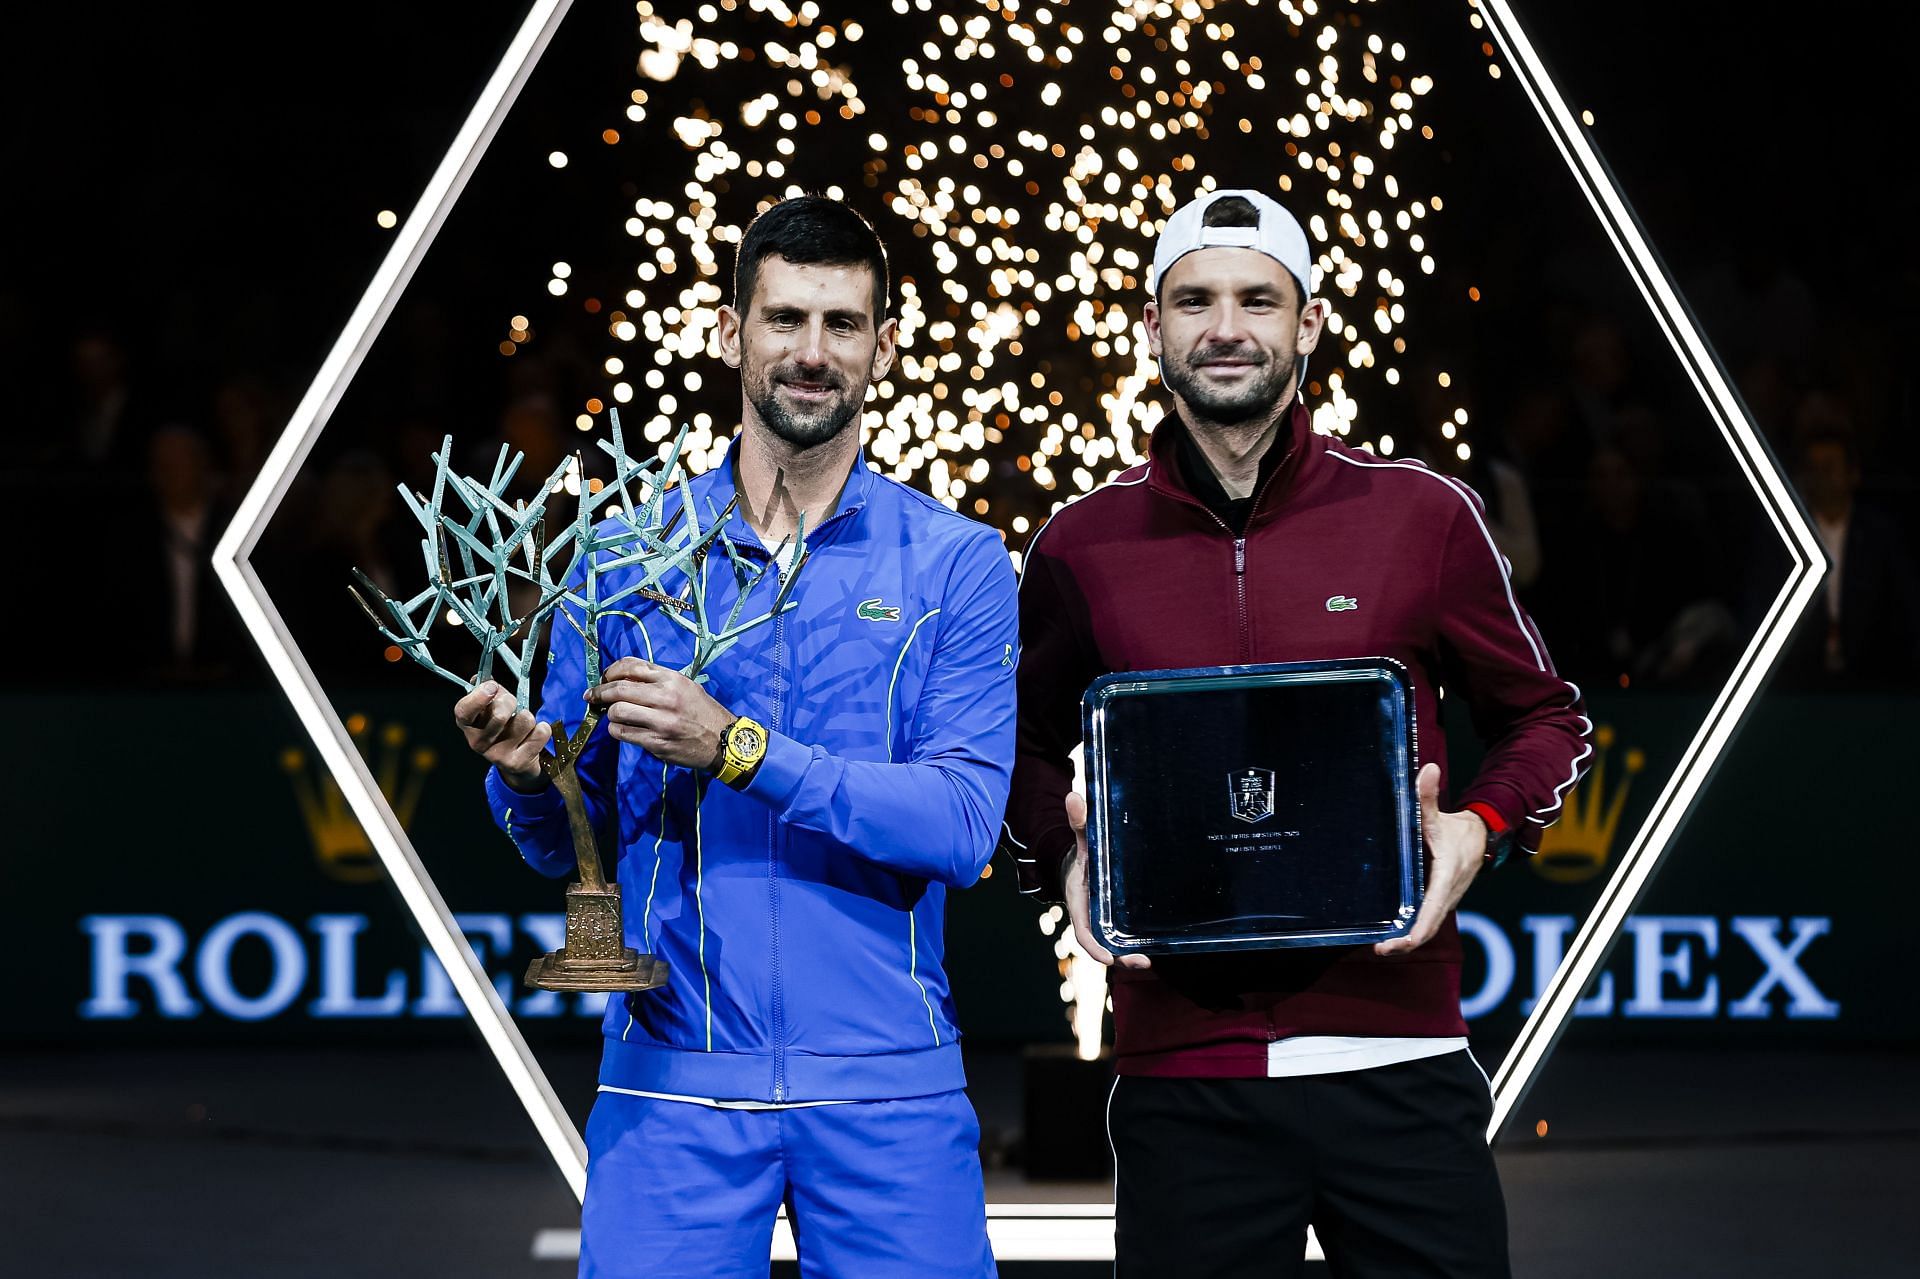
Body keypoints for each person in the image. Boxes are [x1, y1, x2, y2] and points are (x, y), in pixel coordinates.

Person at [1003, 190, 1592, 1278]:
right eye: (1196, 301)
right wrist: (1070, 862)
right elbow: (1017, 751)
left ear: (1308, 326)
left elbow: (1546, 718)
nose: (1225, 326)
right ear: (1153, 327)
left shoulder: (1423, 514)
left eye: (1256, 300)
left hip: (1401, 1056)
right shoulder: (1080, 546)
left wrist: (1480, 827)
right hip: (1183, 1082)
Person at [453, 196, 1015, 1278]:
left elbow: (959, 825)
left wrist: (738, 749)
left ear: (883, 347)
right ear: (729, 333)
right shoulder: (625, 556)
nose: (812, 352)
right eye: (785, 319)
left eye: (842, 324)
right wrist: (531, 780)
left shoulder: (957, 564)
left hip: (887, 1086)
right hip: (672, 1084)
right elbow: (563, 839)